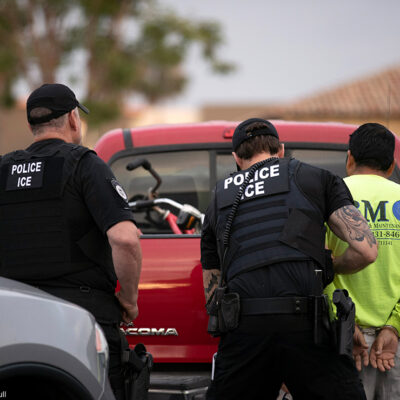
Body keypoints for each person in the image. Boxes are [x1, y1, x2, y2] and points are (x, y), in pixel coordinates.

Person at [200, 118, 378, 400]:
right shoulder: (315, 178)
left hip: (245, 331)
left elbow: (212, 295)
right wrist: (329, 267)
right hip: (305, 325)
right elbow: (367, 250)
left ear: (236, 157)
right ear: (280, 150)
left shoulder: (218, 200)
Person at [0, 83, 142, 399]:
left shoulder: (3, 170)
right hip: (79, 318)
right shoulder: (84, 164)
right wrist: (129, 301)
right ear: (73, 119)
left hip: (13, 322)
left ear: (30, 126)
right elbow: (125, 239)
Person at [325, 123, 400, 400]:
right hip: (395, 345)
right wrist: (394, 325)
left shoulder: (327, 196)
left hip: (345, 339)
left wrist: (345, 321)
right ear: (391, 166)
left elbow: (316, 268)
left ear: (350, 159)